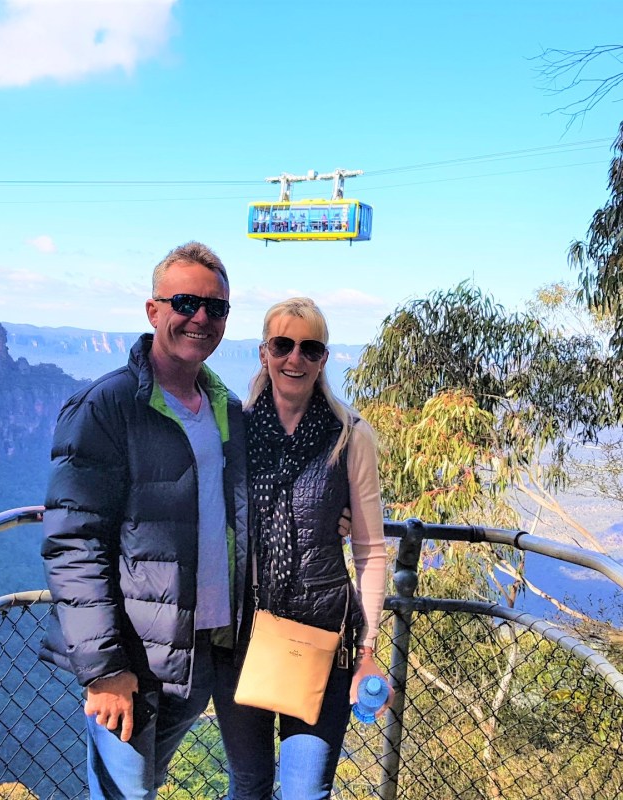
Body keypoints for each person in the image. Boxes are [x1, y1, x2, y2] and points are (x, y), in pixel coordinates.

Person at [40, 241, 249, 800]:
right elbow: (73, 541)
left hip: (200, 649)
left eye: (217, 308)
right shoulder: (107, 405)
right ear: (153, 309)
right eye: (185, 302)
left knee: (147, 785)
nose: (201, 318)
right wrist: (105, 669)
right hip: (131, 659)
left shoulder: (224, 406)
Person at [212, 297, 391, 800]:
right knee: (247, 785)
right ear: (264, 352)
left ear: (324, 359)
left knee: (306, 790)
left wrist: (368, 650)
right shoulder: (233, 431)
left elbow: (371, 550)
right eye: (283, 345)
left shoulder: (350, 437)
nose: (296, 358)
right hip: (242, 634)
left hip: (320, 638)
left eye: (310, 348)